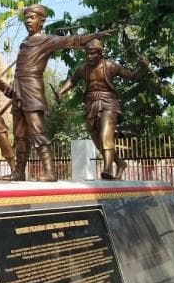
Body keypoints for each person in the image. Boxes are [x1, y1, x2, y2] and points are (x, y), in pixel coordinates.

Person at [10, 4, 111, 182]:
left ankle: (50, 171)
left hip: (32, 88)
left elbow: (72, 40)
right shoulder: (25, 42)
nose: (28, 21)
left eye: (32, 17)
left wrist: (94, 36)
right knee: (19, 134)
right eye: (26, 18)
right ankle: (18, 171)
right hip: (18, 89)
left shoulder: (46, 40)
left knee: (37, 130)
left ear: (42, 21)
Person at [57, 39, 141, 179]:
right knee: (98, 141)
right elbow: (72, 80)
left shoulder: (110, 66)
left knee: (105, 135)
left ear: (100, 53)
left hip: (108, 103)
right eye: (87, 54)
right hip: (90, 104)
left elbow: (132, 77)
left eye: (93, 54)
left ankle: (107, 168)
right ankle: (120, 163)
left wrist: (142, 67)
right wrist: (61, 92)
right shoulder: (82, 68)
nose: (89, 57)